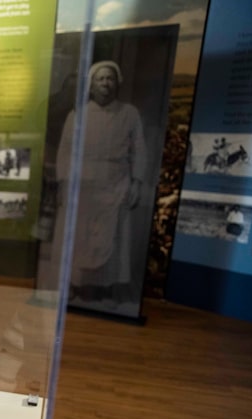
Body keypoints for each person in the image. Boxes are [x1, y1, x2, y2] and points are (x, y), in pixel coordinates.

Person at [55, 60, 148, 305]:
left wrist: (137, 182)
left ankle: (107, 288)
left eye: (110, 79)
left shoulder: (129, 114)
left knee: (113, 236)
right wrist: (63, 184)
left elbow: (139, 148)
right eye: (100, 79)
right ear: (92, 85)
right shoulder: (77, 115)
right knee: (81, 236)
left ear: (117, 83)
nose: (105, 83)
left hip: (116, 183)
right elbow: (65, 152)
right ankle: (78, 285)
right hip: (82, 186)